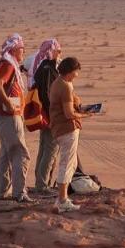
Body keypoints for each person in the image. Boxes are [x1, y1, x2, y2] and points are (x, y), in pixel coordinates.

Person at [0, 33, 32, 203]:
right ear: (14, 49)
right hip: (9, 115)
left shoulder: (11, 64)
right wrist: (8, 103)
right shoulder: (8, 65)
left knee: (7, 153)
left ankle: (3, 191)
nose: (23, 51)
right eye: (22, 48)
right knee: (21, 153)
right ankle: (19, 192)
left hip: (8, 114)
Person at [48, 56, 85, 213]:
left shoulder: (58, 83)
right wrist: (84, 115)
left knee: (70, 164)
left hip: (60, 128)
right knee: (67, 164)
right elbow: (69, 114)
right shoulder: (65, 86)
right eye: (76, 71)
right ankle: (62, 200)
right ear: (71, 71)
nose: (77, 74)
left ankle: (62, 198)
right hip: (66, 129)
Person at [29, 38, 62, 195]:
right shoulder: (48, 69)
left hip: (46, 114)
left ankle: (40, 183)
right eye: (58, 50)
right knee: (50, 149)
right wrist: (52, 116)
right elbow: (46, 94)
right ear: (51, 51)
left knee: (44, 147)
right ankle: (42, 185)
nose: (60, 53)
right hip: (49, 115)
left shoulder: (43, 66)